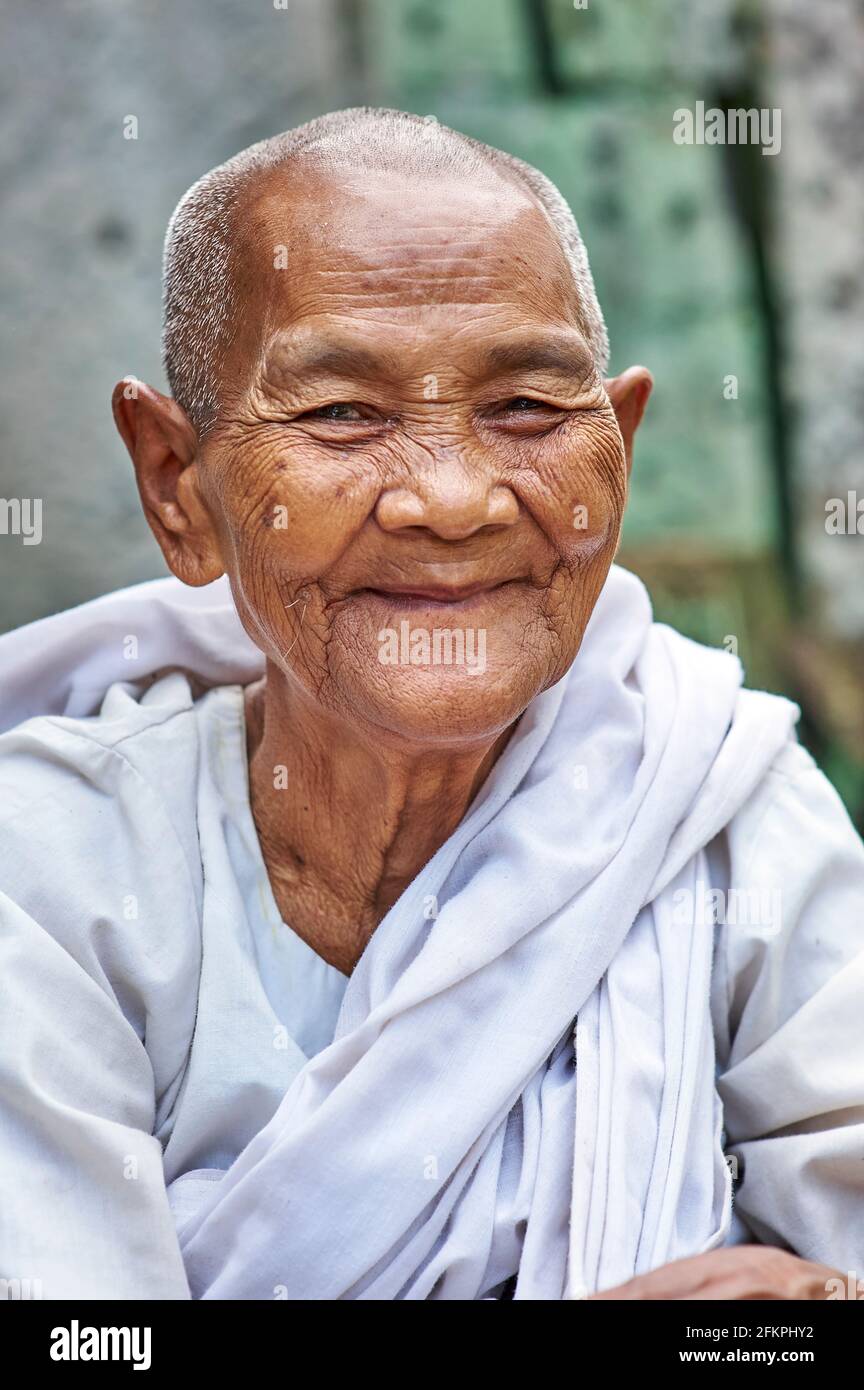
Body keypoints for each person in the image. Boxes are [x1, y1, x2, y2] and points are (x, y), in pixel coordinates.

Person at [0, 108, 861, 1301]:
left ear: (619, 446)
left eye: (526, 409)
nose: (452, 500)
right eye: (344, 414)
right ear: (177, 486)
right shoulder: (51, 867)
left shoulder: (722, 805)